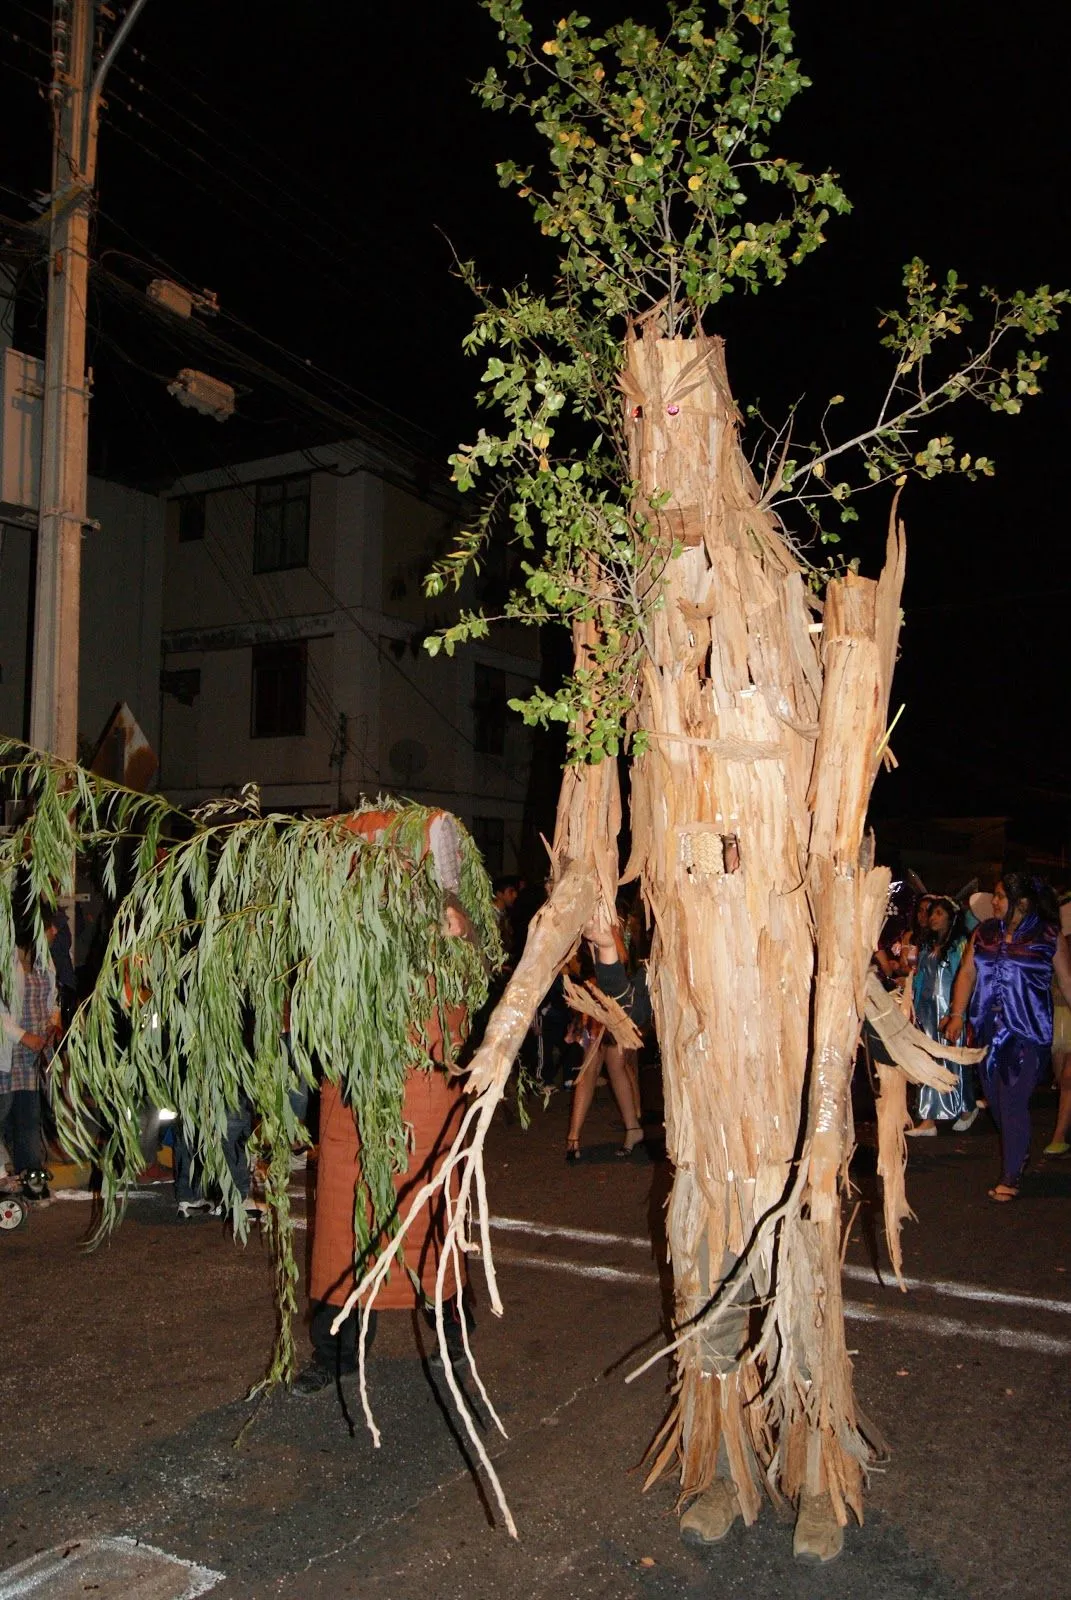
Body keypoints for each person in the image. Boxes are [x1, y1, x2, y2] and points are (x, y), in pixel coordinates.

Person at [294, 811, 486, 1396]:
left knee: (431, 1224)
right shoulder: (339, 930)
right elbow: (306, 1006)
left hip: (424, 1101)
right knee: (341, 1233)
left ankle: (454, 1346)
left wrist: (458, 933)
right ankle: (335, 1353)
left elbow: (473, 974)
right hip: (353, 1105)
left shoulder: (447, 922)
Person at [943, 873, 1071, 1200]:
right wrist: (957, 1014)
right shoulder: (983, 933)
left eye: (1000, 896)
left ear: (1022, 902)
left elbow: (1067, 982)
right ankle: (1019, 1148)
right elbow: (967, 973)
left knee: (1013, 1099)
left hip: (1030, 1031)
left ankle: (1011, 1175)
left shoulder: (1049, 936)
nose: (994, 902)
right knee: (997, 1102)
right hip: (986, 1029)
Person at [908, 896, 976, 1134]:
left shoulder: (960, 945)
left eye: (938, 913)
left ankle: (965, 1105)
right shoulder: (926, 944)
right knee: (928, 1059)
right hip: (926, 1009)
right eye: (931, 913)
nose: (932, 918)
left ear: (951, 917)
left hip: (948, 1008)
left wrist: (955, 1012)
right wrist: (912, 1004)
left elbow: (964, 978)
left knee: (952, 1058)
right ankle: (928, 1117)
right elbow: (919, 978)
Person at [0, 934, 60, 1201]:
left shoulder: (43, 958)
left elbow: (52, 997)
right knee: (3, 1114)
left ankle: (31, 1178)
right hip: (9, 1050)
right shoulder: (5, 956)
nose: (55, 932)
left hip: (32, 1054)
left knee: (28, 1118)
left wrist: (53, 1022)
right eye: (50, 926)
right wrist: (24, 1036)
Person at [1043, 895, 1071, 1156]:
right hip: (1062, 1014)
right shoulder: (1058, 943)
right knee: (1064, 1078)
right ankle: (1060, 1135)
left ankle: (1059, 1135)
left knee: (1067, 1078)